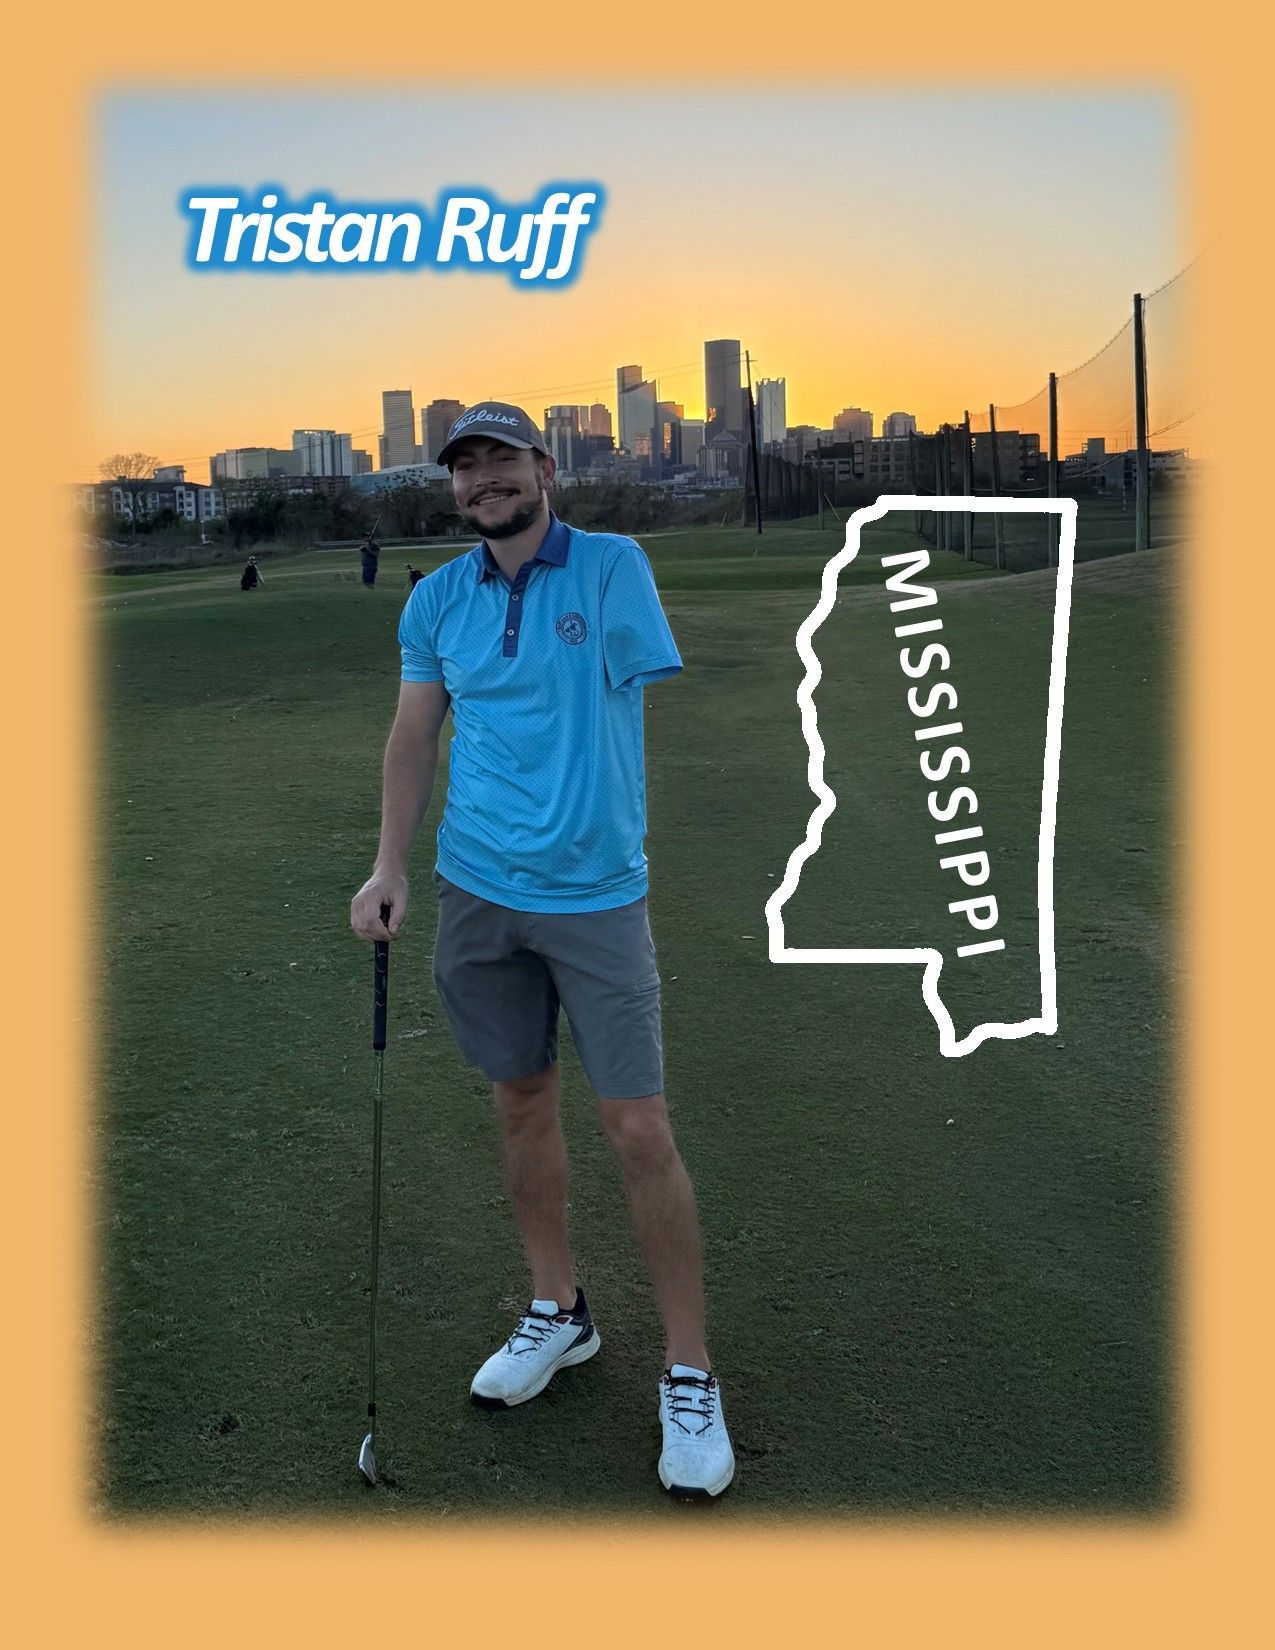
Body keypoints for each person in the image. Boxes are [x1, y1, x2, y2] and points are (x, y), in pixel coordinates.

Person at [349, 402, 734, 1499]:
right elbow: (415, 734)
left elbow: (617, 695)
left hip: (596, 895)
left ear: (544, 468)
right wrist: (391, 867)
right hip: (478, 891)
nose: (485, 483)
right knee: (520, 1103)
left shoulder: (612, 569)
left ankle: (688, 1371)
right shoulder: (434, 598)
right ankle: (558, 1311)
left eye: (502, 462)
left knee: (636, 1126)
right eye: (466, 469)